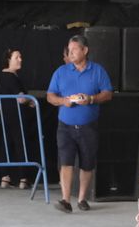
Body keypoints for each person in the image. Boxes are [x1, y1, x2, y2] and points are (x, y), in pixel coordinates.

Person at [46, 34, 114, 213]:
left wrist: (91, 99)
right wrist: (63, 101)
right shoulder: (61, 72)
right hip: (65, 126)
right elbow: (50, 96)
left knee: (87, 163)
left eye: (74, 49)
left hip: (88, 125)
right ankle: (65, 200)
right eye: (69, 50)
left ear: (85, 50)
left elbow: (108, 93)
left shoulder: (97, 71)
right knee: (66, 162)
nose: (71, 52)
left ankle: (82, 198)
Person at [0, 48, 39, 190]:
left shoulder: (1, 77)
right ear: (9, 60)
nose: (20, 59)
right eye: (16, 57)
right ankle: (23, 178)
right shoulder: (12, 77)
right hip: (17, 116)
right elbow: (20, 98)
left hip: (6, 116)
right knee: (21, 145)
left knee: (6, 144)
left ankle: (5, 177)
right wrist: (30, 101)